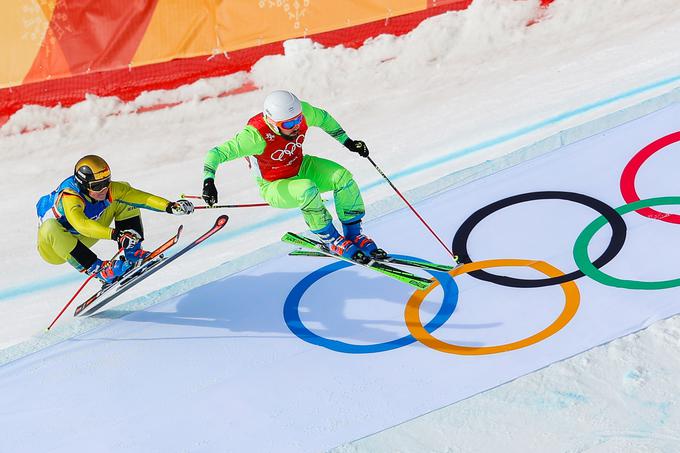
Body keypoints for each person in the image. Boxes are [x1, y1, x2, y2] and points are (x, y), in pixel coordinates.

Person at [201, 90, 385, 263]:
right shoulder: (254, 136)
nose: (296, 126)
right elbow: (215, 153)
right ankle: (330, 238)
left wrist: (349, 142)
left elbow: (324, 119)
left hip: (300, 166)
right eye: (288, 124)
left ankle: (354, 234)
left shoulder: (302, 113)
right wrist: (208, 181)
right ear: (272, 123)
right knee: (307, 189)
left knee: (342, 177)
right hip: (274, 185)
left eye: (298, 120)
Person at [36, 155, 195, 284]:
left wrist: (170, 206)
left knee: (125, 197)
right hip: (56, 248)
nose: (104, 189)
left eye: (106, 182)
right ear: (83, 185)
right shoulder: (70, 197)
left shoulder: (107, 189)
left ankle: (133, 253)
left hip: (84, 235)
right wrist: (116, 235)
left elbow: (141, 198)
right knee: (49, 227)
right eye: (97, 186)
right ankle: (99, 270)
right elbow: (82, 225)